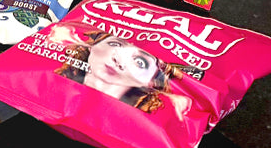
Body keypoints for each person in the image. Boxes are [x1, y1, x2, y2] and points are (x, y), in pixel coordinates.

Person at [47, 22, 192, 115]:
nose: (119, 60)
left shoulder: (141, 130)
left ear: (151, 82)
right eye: (115, 44)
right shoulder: (49, 86)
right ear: (92, 47)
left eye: (140, 62)